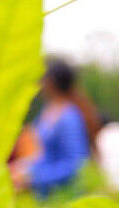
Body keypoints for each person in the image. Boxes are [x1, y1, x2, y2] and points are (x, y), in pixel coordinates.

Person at [12, 58, 92, 196]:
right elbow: (44, 155)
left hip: (63, 195)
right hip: (42, 193)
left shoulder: (68, 118)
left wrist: (35, 178)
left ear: (51, 81)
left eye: (42, 78)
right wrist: (23, 167)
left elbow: (77, 165)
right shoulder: (47, 111)